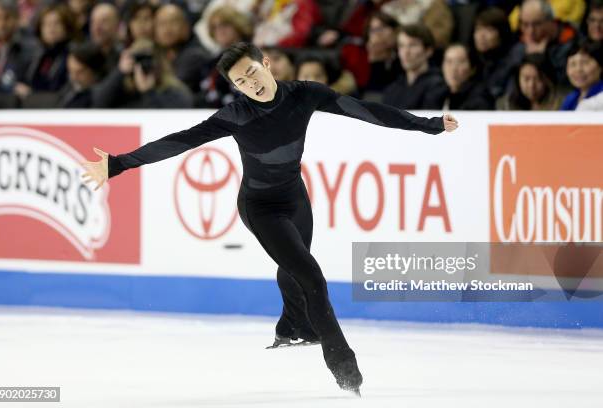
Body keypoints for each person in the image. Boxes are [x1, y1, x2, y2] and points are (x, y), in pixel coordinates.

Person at [80, 41, 458, 395]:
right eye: (240, 82)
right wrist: (118, 164)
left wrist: (428, 124)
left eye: (252, 74)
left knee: (296, 265)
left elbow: (365, 110)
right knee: (310, 275)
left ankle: (292, 327)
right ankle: (345, 369)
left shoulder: (305, 94)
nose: (251, 85)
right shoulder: (235, 115)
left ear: (266, 63)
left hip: (295, 198)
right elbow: (180, 140)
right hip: (259, 207)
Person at [497, 53, 565, 110]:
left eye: (538, 79)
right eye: (526, 79)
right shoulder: (505, 105)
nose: (531, 85)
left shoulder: (562, 103)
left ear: (548, 80)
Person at [560, 39, 603, 110]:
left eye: (585, 63)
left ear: (600, 67)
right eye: (573, 64)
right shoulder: (570, 99)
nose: (578, 69)